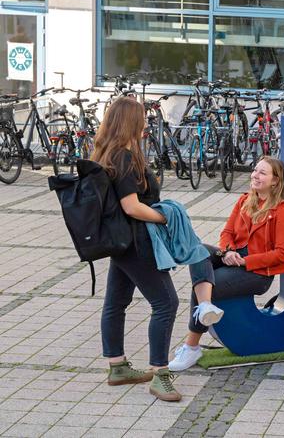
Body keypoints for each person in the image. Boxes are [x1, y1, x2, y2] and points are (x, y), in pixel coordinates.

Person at [92, 97, 182, 402]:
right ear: (132, 121)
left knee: (116, 302)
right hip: (135, 242)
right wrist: (165, 216)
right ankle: (160, 374)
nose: (146, 121)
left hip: (122, 243)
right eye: (142, 117)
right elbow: (131, 207)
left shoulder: (111, 154)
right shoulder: (124, 159)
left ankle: (117, 367)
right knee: (166, 302)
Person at [169, 156, 284, 371]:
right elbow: (227, 232)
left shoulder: (282, 211)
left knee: (205, 284)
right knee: (197, 251)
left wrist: (243, 261)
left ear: (275, 181)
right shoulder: (244, 200)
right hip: (232, 257)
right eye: (255, 170)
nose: (255, 175)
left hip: (257, 273)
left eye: (262, 173)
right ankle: (206, 307)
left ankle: (192, 347)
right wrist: (227, 251)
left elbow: (281, 254)